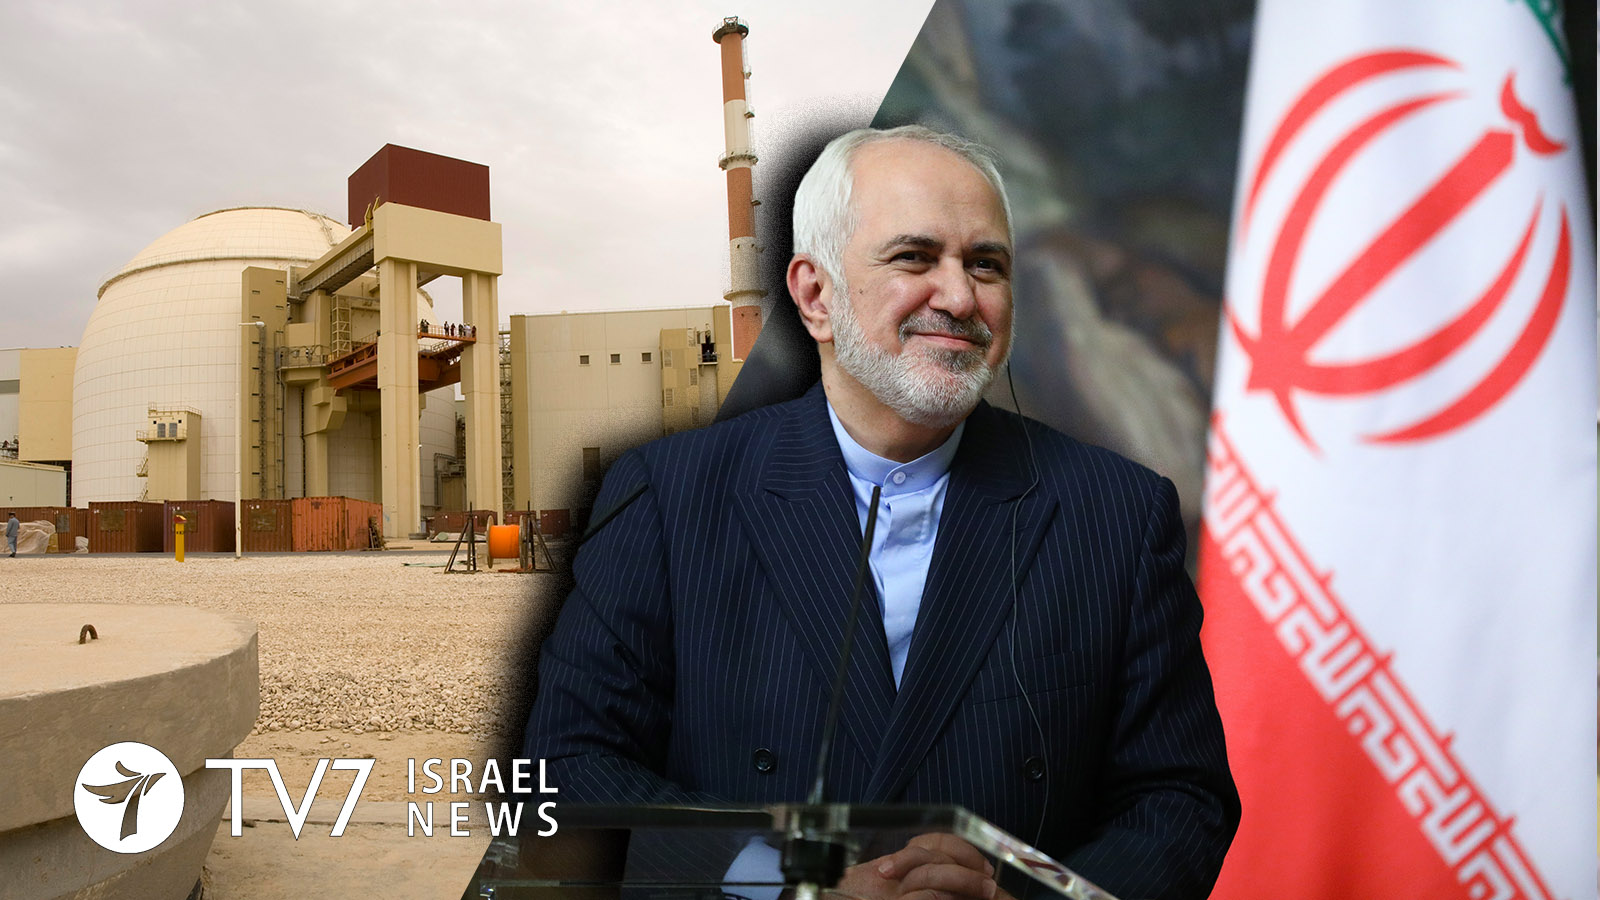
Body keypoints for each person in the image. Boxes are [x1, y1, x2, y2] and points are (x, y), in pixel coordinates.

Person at [523, 126, 1239, 899]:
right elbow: (566, 771)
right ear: (816, 296)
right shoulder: (669, 498)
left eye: (986, 264)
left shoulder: (1117, 513)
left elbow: (1180, 798)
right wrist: (787, 884)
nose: (960, 298)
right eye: (915, 257)